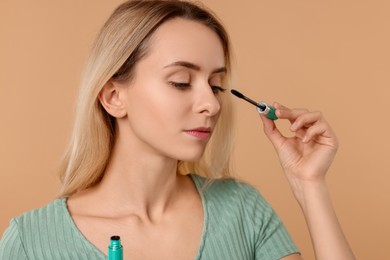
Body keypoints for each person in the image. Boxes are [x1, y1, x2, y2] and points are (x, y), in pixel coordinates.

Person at [0, 0, 355, 259]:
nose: (212, 105)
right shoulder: (31, 241)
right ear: (113, 97)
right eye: (181, 82)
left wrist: (310, 186)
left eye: (216, 85)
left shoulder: (243, 212)